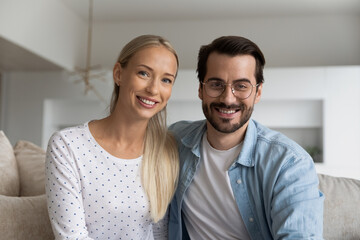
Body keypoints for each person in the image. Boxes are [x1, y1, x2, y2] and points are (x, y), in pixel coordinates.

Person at [168, 36, 324, 239]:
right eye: (216, 84)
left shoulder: (290, 164)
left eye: (241, 86)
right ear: (201, 89)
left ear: (258, 92)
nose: (227, 98)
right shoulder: (174, 141)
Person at [45, 34, 179, 240]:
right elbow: (72, 237)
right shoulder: (67, 146)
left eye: (166, 80)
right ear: (118, 74)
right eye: (144, 73)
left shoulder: (166, 151)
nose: (153, 89)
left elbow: (160, 234)